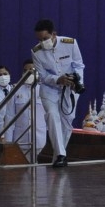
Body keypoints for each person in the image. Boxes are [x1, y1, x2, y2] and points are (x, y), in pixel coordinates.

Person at [30, 19, 85, 168]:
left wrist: (77, 79)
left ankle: (59, 156)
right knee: (53, 116)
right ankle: (61, 154)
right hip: (50, 89)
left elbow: (79, 64)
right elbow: (42, 76)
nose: (42, 42)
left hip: (70, 89)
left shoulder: (70, 43)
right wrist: (57, 79)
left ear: (54, 34)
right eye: (40, 40)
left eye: (45, 38)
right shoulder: (36, 52)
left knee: (67, 122)